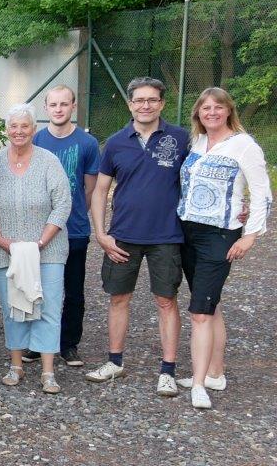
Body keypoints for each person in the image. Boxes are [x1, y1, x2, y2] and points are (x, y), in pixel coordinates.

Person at [84, 77, 190, 399]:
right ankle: (115, 361)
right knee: (118, 298)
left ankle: (168, 371)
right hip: (123, 237)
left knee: (166, 301)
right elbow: (101, 189)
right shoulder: (115, 142)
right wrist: (101, 233)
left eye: (152, 100)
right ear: (130, 104)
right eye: (139, 100)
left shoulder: (181, 138)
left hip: (166, 236)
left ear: (161, 103)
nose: (146, 105)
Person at [174, 87, 270, 409]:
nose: (212, 112)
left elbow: (262, 193)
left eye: (218, 107)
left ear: (229, 111)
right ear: (198, 113)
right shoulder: (197, 143)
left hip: (220, 235)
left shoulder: (244, 146)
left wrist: (250, 235)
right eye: (205, 108)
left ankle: (199, 384)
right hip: (188, 232)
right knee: (210, 304)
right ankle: (215, 372)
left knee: (199, 312)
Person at [0, 104, 71, 394]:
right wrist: (2, 241)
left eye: (25, 126)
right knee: (13, 307)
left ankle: (48, 371)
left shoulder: (48, 162)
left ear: (34, 129)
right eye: (13, 126)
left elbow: (63, 204)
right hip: (4, 251)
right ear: (6, 130)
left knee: (48, 307)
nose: (19, 131)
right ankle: (16, 365)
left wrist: (41, 241)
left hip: (48, 250)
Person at [29, 85, 100, 367]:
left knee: (73, 288)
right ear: (46, 108)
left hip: (75, 228)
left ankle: (68, 343)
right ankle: (38, 342)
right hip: (39, 230)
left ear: (73, 106)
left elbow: (89, 188)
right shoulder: (37, 140)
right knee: (39, 288)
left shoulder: (87, 144)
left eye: (64, 104)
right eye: (53, 105)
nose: (58, 109)